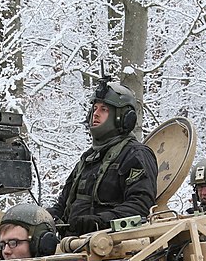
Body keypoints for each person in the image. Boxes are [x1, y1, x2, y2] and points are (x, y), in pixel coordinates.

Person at [48, 80, 158, 236]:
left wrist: (99, 223)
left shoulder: (135, 154)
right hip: (73, 243)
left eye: (104, 109)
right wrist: (48, 217)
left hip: (111, 245)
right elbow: (63, 203)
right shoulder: (88, 158)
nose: (96, 114)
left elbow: (140, 206)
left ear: (123, 117)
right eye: (94, 108)